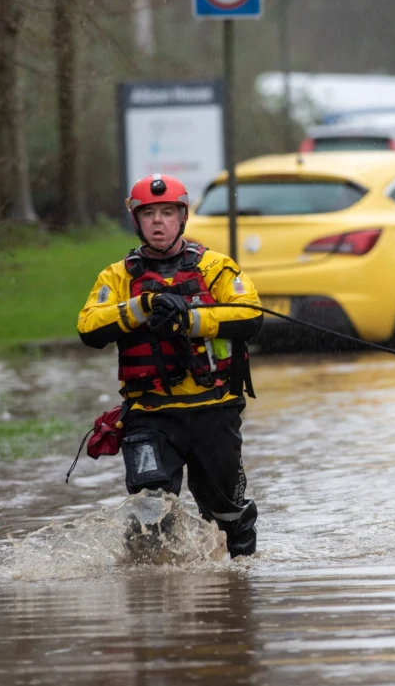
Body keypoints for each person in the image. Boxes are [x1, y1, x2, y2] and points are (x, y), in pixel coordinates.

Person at [77, 174, 264, 558]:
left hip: (214, 411)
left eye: (167, 213)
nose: (158, 222)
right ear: (136, 220)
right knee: (149, 519)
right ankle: (154, 588)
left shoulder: (216, 266)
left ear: (183, 217)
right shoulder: (116, 276)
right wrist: (141, 307)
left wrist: (191, 319)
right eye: (149, 214)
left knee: (228, 513)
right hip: (150, 416)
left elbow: (250, 316)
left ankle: (240, 581)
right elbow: (89, 328)